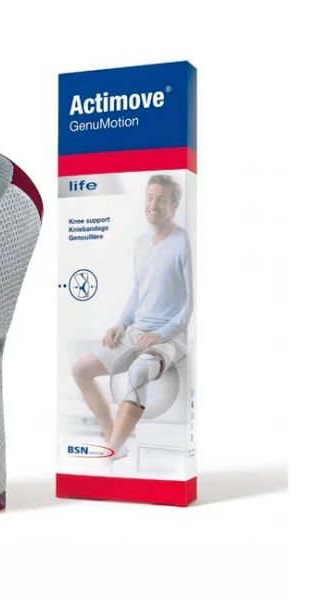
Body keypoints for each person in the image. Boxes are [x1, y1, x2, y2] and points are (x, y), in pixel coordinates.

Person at [72, 174, 193, 459]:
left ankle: (112, 451)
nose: (153, 205)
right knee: (81, 370)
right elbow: (137, 293)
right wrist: (120, 324)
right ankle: (113, 438)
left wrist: (161, 334)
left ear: (174, 206)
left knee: (138, 371)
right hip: (136, 331)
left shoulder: (184, 242)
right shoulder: (141, 244)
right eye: (150, 198)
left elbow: (191, 302)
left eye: (161, 199)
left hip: (170, 338)